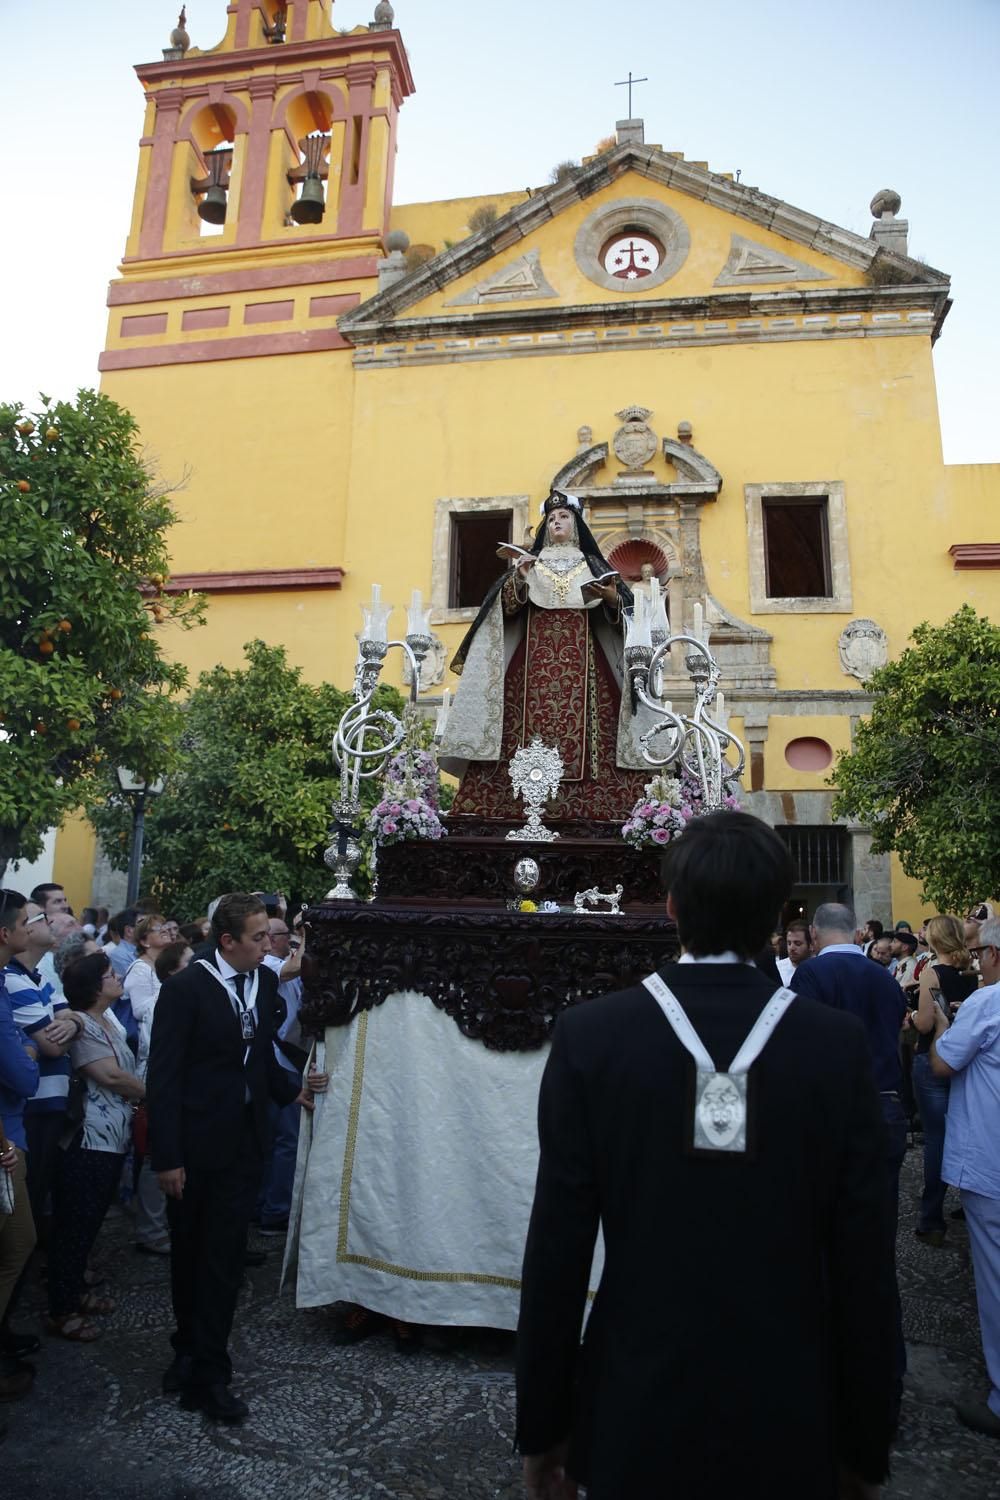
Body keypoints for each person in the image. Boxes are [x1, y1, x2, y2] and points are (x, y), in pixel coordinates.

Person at [516, 814, 895, 1500]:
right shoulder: (833, 1046)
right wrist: (867, 1442)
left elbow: (556, 1254)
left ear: (671, 907)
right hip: (791, 1404)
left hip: (636, 1398)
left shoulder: (593, 1038)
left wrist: (542, 1427)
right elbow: (865, 1258)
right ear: (780, 914)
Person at [146, 892, 328, 1423]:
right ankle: (187, 1347)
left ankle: (211, 1370)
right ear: (227, 942)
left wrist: (292, 1086)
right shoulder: (186, 990)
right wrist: (168, 1157)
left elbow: (257, 1056)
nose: (270, 945)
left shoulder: (265, 981)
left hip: (243, 1146)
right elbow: (166, 1077)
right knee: (189, 1255)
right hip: (195, 1148)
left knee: (223, 1260)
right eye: (258, 938)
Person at [439, 491, 657, 824]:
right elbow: (503, 612)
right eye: (552, 518)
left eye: (564, 517)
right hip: (531, 669)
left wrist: (613, 599)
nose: (557, 522)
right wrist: (521, 580)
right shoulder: (530, 562)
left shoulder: (593, 565)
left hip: (587, 667)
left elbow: (628, 622)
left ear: (577, 524)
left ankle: (595, 806)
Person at [789, 903, 908, 1421]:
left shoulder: (812, 973)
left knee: (821, 1245)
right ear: (856, 930)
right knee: (877, 1246)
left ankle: (826, 1374)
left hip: (832, 1114)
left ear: (814, 934)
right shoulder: (883, 977)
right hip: (886, 1108)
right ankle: (885, 1380)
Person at [47, 953, 145, 1342]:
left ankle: (75, 1292)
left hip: (112, 1137)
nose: (117, 977)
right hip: (89, 1139)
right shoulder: (82, 1024)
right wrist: (153, 1094)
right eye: (109, 975)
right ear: (93, 986)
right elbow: (109, 1074)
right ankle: (61, 1308)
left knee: (91, 1222)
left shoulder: (110, 1019)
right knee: (75, 1224)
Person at [929, 916, 1000, 1440]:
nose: (975, 961)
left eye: (979, 953)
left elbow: (943, 1065)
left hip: (991, 1162)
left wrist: (941, 1025)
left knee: (995, 1280)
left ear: (994, 956)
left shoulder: (985, 1003)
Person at [908, 915, 979, 1247]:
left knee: (936, 1140)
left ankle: (931, 1218)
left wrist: (910, 1016)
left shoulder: (932, 973)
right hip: (962, 1060)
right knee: (964, 1133)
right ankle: (970, 1206)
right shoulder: (971, 973)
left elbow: (924, 1024)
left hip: (931, 1056)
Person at [0, 891, 39, 1404]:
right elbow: (22, 1072)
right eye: (23, 921)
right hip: (7, 1136)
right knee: (17, 1245)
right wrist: (30, 1052)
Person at [777, 918, 811, 984]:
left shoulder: (819, 969)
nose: (791, 948)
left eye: (797, 943)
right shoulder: (778, 969)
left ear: (810, 945)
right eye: (789, 943)